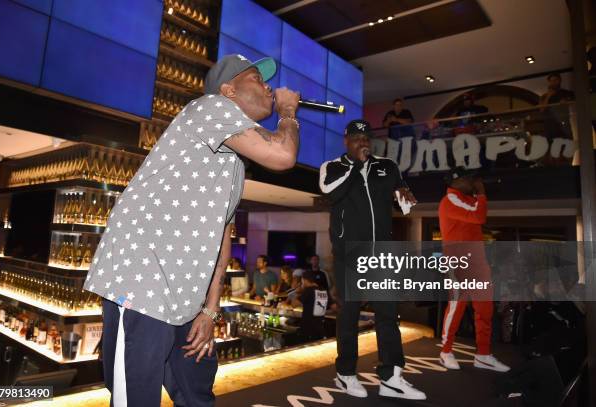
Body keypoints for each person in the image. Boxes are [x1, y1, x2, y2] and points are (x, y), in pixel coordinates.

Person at [84, 54, 300, 407]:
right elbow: (283, 155)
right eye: (256, 78)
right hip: (141, 283)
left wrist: (210, 310)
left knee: (197, 389)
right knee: (136, 398)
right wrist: (288, 112)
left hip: (183, 297)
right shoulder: (209, 108)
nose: (269, 86)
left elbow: (223, 238)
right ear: (228, 90)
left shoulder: (233, 161)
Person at [319, 119, 426, 400]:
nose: (362, 143)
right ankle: (345, 373)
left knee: (388, 315)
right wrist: (356, 166)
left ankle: (391, 377)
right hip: (349, 254)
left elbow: (402, 207)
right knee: (350, 314)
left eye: (366, 138)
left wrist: (406, 199)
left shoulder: (387, 166)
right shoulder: (332, 167)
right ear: (346, 141)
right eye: (356, 138)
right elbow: (331, 193)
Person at [438, 166, 510, 372]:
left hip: (477, 260)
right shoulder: (450, 200)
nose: (473, 181)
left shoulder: (467, 199)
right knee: (457, 306)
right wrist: (481, 193)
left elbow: (477, 214)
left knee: (484, 308)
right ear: (455, 182)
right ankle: (445, 351)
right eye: (468, 179)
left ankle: (483, 355)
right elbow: (479, 217)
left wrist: (478, 196)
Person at [291, 270, 328, 341]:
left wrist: (297, 292)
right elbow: (333, 306)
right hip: (320, 328)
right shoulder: (323, 290)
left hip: (308, 329)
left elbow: (294, 304)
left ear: (304, 280)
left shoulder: (308, 290)